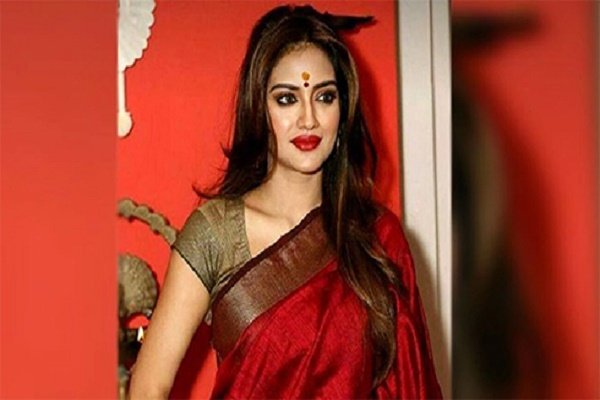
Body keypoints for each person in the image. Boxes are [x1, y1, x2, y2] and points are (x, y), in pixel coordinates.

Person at [129, 4, 442, 399]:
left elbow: (412, 384)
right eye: (287, 99)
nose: (308, 119)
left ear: (343, 110)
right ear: (260, 108)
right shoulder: (217, 233)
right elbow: (148, 386)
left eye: (324, 97)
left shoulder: (375, 235)